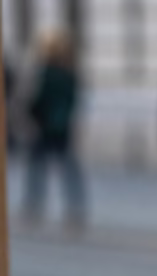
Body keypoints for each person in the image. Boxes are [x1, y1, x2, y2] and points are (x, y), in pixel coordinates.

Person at [22, 29, 84, 229]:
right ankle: (75, 209)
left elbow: (37, 100)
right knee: (68, 169)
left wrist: (33, 116)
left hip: (45, 128)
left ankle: (34, 204)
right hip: (62, 128)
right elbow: (73, 100)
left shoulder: (46, 73)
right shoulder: (69, 73)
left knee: (37, 168)